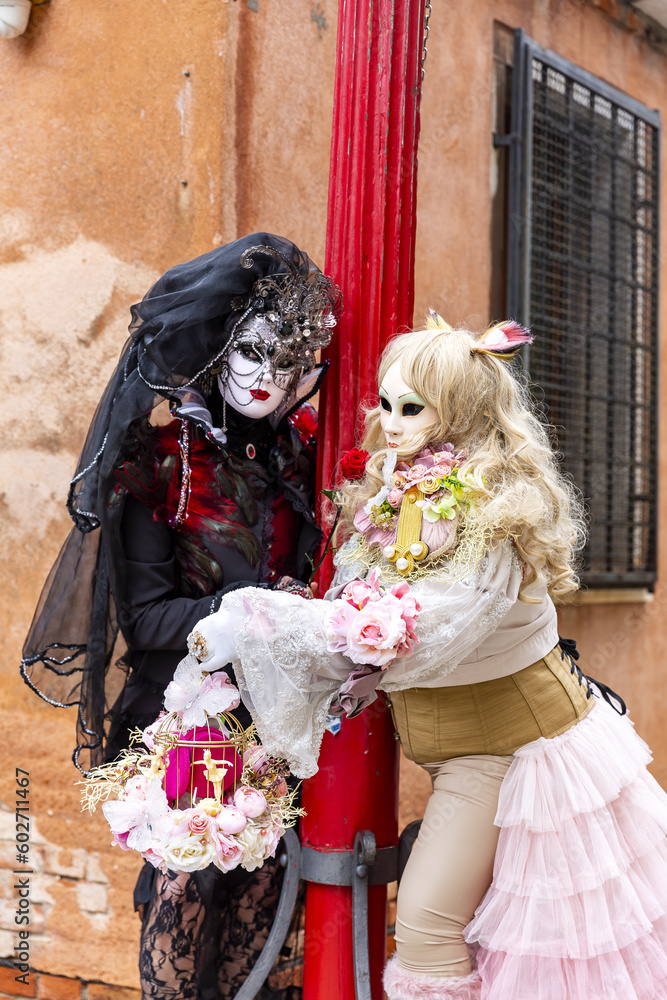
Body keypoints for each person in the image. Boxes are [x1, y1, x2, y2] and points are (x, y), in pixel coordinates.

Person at [188, 313, 667, 1000]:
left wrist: (259, 619)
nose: (390, 423)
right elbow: (359, 603)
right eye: (384, 404)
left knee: (430, 927)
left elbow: (417, 628)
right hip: (459, 748)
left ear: (463, 412)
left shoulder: (496, 512)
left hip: (517, 752)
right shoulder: (402, 491)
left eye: (411, 408)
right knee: (487, 939)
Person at [21, 232, 341, 1000]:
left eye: (292, 362)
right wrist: (255, 611)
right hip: (186, 726)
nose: (271, 379)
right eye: (255, 354)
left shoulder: (302, 459)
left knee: (262, 913)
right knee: (184, 902)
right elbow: (152, 621)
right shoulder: (162, 464)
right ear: (219, 348)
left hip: (283, 726)